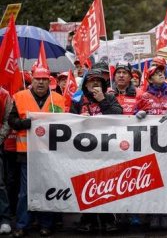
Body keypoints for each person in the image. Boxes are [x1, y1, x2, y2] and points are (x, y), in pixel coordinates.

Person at [9, 65, 66, 237]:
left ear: (50, 81)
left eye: (44, 79)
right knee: (25, 192)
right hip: (27, 154)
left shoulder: (59, 99)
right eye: (37, 79)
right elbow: (11, 120)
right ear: (31, 80)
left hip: (51, 154)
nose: (40, 82)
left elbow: (67, 123)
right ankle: (21, 224)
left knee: (47, 189)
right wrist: (22, 124)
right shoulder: (19, 97)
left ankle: (46, 224)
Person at [135, 64, 167, 230]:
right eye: (156, 74)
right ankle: (153, 214)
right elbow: (131, 118)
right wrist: (138, 115)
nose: (160, 75)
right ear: (149, 79)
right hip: (149, 146)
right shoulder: (143, 96)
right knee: (151, 180)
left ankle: (165, 214)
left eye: (161, 73)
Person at [70, 69, 122, 233]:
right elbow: (68, 121)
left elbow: (118, 115)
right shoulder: (78, 100)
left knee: (105, 185)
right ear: (85, 85)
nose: (95, 84)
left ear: (103, 85)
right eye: (91, 82)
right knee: (87, 184)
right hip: (84, 152)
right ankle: (88, 220)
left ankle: (108, 220)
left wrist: (102, 101)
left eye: (98, 82)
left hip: (107, 150)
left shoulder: (110, 97)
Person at [0, 87, 12, 235]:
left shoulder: (4, 94)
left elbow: (7, 120)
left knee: (0, 184)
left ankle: (4, 219)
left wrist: (0, 138)